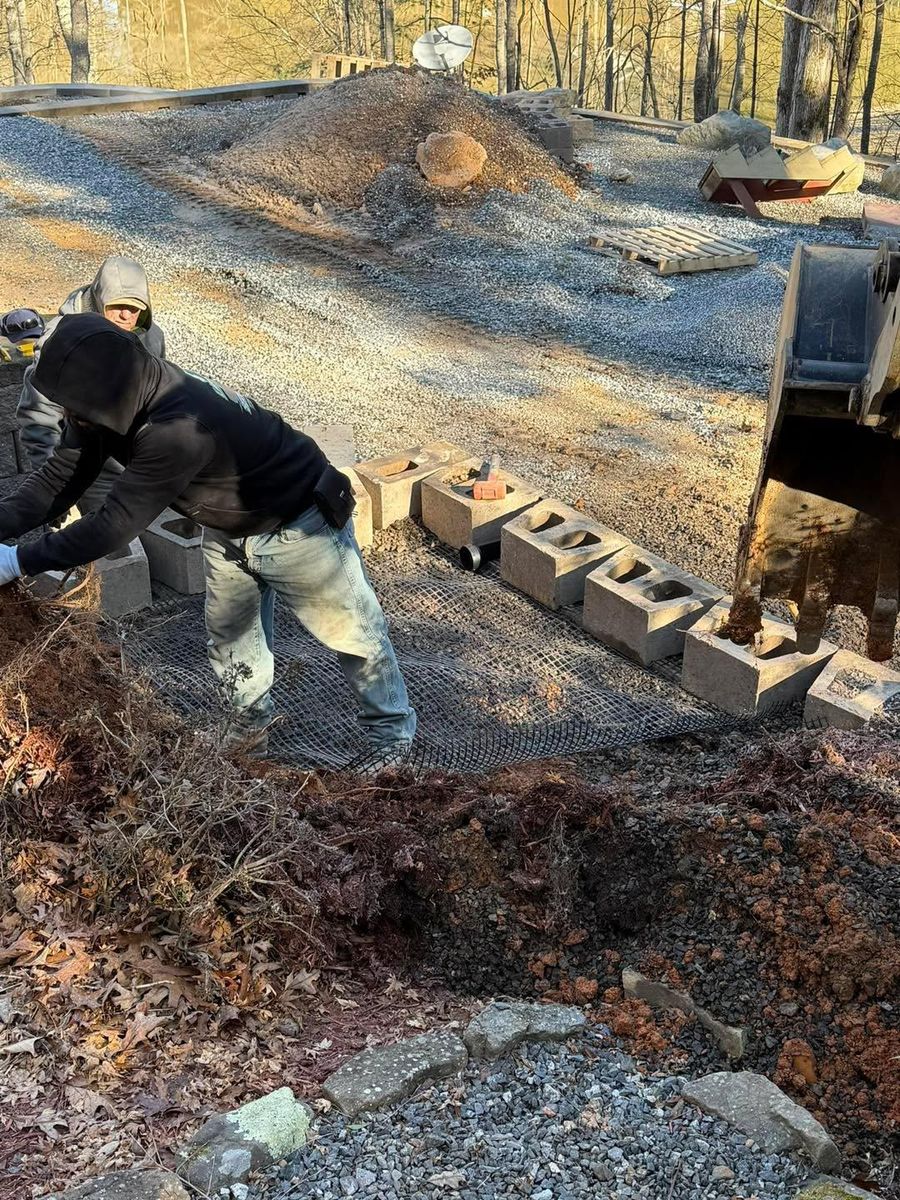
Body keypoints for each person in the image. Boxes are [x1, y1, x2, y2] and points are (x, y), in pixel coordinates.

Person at [0, 313, 416, 762]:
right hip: (226, 527)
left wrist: (17, 561)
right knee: (232, 640)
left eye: (71, 404)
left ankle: (391, 740)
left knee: (354, 635)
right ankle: (247, 733)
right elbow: (57, 479)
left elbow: (113, 524)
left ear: (98, 392)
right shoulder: (108, 406)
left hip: (299, 526)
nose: (67, 415)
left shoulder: (178, 429)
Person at [17, 256, 166, 516]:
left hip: (137, 467)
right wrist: (55, 493)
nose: (126, 315)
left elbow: (162, 400)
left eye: (135, 307)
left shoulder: (152, 338)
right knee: (102, 546)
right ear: (99, 300)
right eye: (117, 305)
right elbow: (38, 418)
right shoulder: (62, 342)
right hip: (84, 469)